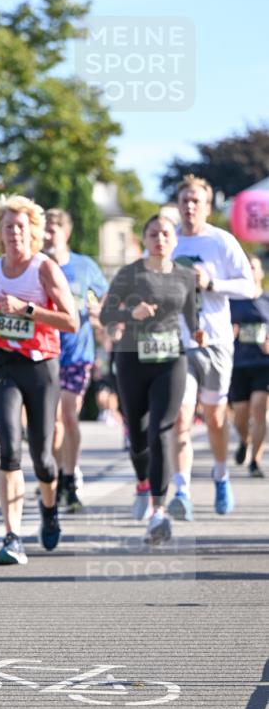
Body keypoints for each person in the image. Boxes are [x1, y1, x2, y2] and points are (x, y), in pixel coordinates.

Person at [0, 194, 78, 565]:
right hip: (2, 363)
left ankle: (49, 509)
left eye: (21, 226)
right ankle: (12, 536)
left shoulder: (44, 268)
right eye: (8, 227)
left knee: (43, 459)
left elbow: (72, 321)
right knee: (8, 448)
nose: (15, 233)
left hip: (40, 365)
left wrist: (28, 309)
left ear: (32, 230)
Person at [100, 214, 199, 543]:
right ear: (144, 239)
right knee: (139, 436)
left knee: (162, 432)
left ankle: (159, 511)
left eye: (166, 234)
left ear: (175, 240)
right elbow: (106, 314)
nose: (160, 239)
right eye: (153, 234)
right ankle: (143, 482)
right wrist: (131, 313)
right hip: (132, 358)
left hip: (171, 359)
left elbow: (193, 318)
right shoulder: (129, 273)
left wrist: (201, 336)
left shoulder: (185, 276)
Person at [168, 175, 255, 520]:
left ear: (207, 207)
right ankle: (182, 491)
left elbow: (249, 287)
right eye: (184, 201)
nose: (190, 206)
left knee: (216, 418)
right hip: (177, 342)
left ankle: (220, 475)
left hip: (216, 341)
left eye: (196, 201)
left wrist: (212, 283)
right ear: (178, 205)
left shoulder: (222, 241)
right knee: (181, 417)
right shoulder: (166, 239)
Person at [43, 208, 108, 511]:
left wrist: (100, 312)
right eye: (43, 229)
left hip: (78, 353)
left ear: (65, 232)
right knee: (53, 424)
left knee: (68, 415)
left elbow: (107, 297)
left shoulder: (84, 266)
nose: (47, 235)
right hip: (45, 352)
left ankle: (69, 477)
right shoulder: (37, 266)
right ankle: (59, 474)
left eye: (52, 229)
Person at [229, 254, 269, 478]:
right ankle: (244, 440)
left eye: (254, 267)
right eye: (247, 267)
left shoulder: (267, 301)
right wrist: (230, 333)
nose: (251, 271)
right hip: (238, 364)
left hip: (263, 364)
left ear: (261, 272)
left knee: (259, 408)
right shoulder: (233, 301)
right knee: (240, 415)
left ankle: (255, 461)